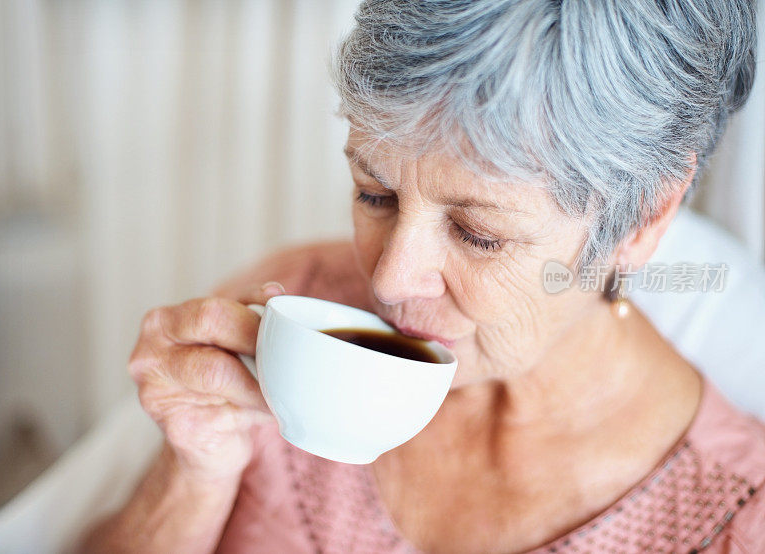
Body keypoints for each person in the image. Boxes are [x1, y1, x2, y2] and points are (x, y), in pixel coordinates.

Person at [78, 1, 764, 552]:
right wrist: (194, 474)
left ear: (643, 220)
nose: (391, 279)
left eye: (478, 234)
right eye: (375, 194)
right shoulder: (292, 307)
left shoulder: (736, 520)